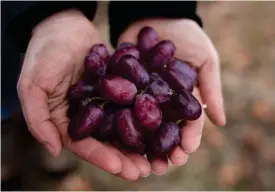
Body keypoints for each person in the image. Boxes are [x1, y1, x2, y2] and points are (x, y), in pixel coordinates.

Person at [2, 1, 226, 181]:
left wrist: (158, 6)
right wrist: (47, 13)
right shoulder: (122, 92)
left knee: (43, 110)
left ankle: (36, 142)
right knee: (13, 91)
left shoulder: (146, 90)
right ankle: (8, 133)